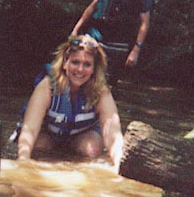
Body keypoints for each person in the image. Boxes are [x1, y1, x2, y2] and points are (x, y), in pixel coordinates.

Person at [16, 36, 124, 168]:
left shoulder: (101, 91)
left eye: (87, 64)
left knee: (92, 150)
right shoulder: (47, 86)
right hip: (48, 135)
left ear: (94, 69)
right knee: (39, 146)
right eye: (75, 62)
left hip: (81, 137)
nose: (80, 69)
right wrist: (23, 161)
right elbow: (30, 130)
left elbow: (113, 133)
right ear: (65, 62)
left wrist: (119, 165)